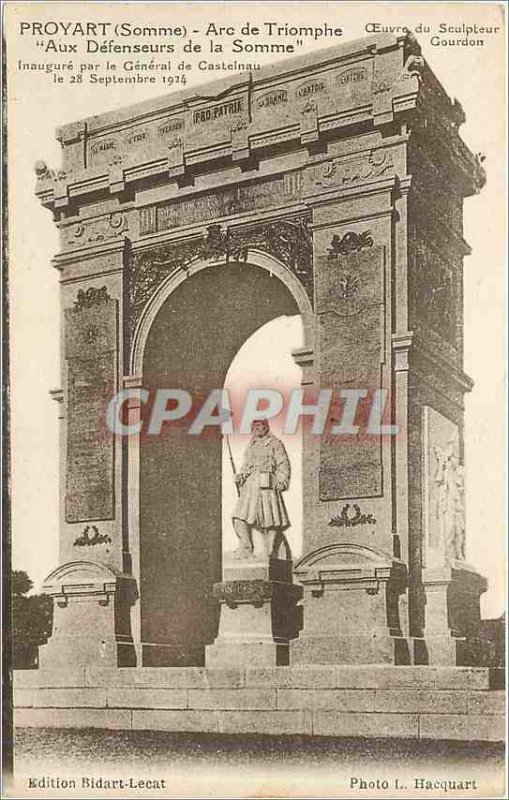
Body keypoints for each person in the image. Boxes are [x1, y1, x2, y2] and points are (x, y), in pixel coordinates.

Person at [232, 419, 291, 559]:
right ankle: (246, 548)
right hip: (250, 485)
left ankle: (271, 552)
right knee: (239, 517)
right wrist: (240, 476)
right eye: (255, 426)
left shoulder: (275, 444)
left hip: (267, 484)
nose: (257, 429)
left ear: (266, 427)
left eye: (260, 426)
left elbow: (283, 464)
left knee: (271, 519)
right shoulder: (251, 445)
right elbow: (247, 465)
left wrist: (281, 481)